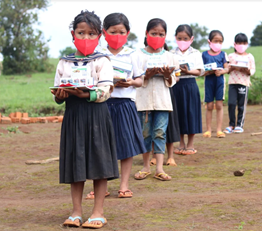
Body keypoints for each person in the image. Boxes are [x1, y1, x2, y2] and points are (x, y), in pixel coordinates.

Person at [51, 10, 118, 229]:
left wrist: (86, 94)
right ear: (73, 34)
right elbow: (58, 91)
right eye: (81, 33)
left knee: (99, 162)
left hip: (97, 115)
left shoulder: (102, 61)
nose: (86, 38)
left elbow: (106, 90)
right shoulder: (64, 62)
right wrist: (60, 96)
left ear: (99, 36)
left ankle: (98, 212)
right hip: (73, 116)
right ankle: (76, 211)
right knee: (75, 163)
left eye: (91, 34)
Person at [85, 12, 146, 200]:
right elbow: (90, 79)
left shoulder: (134, 55)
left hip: (125, 103)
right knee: (100, 145)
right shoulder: (97, 55)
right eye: (113, 31)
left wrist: (130, 82)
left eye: (121, 32)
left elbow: (140, 80)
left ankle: (124, 184)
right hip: (102, 103)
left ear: (128, 33)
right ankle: (100, 186)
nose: (117, 36)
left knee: (126, 144)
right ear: (104, 32)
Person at [134, 18, 180, 181]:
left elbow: (176, 77)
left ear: (165, 35)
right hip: (143, 101)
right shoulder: (137, 55)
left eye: (161, 34)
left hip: (162, 101)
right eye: (153, 33)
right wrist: (146, 76)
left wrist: (168, 76)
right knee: (145, 133)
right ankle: (146, 166)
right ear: (146, 34)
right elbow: (134, 77)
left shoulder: (170, 56)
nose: (157, 36)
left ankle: (159, 169)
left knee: (160, 133)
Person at [170, 24, 205, 155]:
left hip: (190, 85)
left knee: (191, 113)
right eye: (180, 38)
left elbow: (200, 71)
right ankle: (181, 144)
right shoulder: (171, 53)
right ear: (175, 38)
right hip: (176, 85)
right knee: (177, 114)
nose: (182, 41)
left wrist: (188, 71)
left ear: (191, 39)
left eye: (185, 38)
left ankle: (190, 144)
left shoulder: (196, 53)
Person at [224, 33, 255, 134]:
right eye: (239, 43)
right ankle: (231, 124)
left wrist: (247, 70)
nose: (241, 45)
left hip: (243, 83)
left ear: (247, 44)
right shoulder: (231, 56)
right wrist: (231, 68)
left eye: (244, 43)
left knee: (241, 105)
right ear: (235, 44)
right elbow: (227, 70)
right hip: (233, 82)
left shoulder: (250, 57)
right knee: (231, 104)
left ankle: (239, 125)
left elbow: (252, 70)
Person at [201, 30, 229, 138]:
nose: (218, 43)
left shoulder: (223, 54)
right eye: (215, 41)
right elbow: (200, 70)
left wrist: (221, 72)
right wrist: (206, 72)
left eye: (220, 41)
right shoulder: (204, 55)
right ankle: (208, 130)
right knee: (209, 106)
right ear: (209, 42)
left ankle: (219, 130)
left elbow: (227, 68)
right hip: (209, 81)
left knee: (219, 105)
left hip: (220, 82)